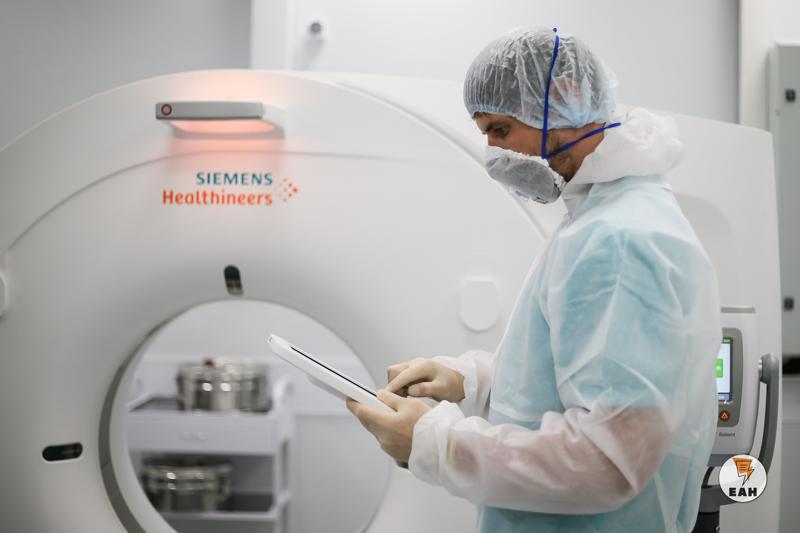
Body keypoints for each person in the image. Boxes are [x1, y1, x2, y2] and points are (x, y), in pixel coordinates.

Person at [346, 26, 721, 533]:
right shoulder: (602, 215)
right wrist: (471, 381)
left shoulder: (618, 239)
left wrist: (435, 443)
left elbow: (609, 461)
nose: (494, 153)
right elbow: (577, 379)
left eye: (501, 129)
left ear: (564, 98)